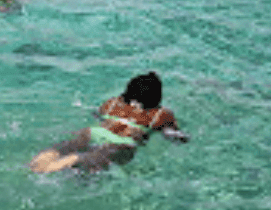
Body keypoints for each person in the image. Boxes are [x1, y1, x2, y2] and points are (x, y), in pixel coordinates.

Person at [29, 70, 188, 175]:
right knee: (103, 154)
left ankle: (46, 156)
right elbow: (173, 135)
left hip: (95, 132)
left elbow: (98, 115)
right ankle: (74, 160)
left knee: (72, 143)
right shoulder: (161, 114)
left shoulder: (112, 103)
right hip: (123, 141)